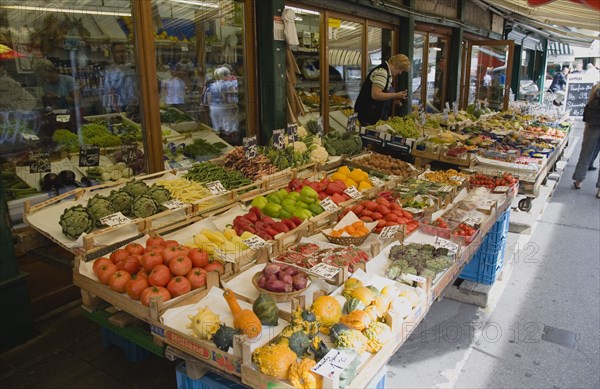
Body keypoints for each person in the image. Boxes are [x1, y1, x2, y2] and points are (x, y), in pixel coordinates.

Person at [354, 54, 410, 126]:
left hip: (371, 115)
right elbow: (376, 95)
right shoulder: (382, 72)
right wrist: (396, 95)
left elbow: (383, 93)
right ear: (397, 66)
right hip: (367, 115)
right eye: (401, 70)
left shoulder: (387, 73)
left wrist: (392, 98)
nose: (400, 73)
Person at [572, 82, 600, 198]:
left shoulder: (597, 86)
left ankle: (578, 180)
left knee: (586, 152)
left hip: (592, 123)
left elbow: (589, 102)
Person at [103, 42, 136, 113]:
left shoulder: (132, 69)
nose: (122, 54)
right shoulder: (110, 72)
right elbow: (110, 93)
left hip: (134, 106)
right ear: (113, 54)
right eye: (118, 52)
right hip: (119, 108)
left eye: (123, 51)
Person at [206, 66, 238, 136]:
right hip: (224, 107)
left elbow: (209, 98)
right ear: (225, 76)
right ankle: (228, 143)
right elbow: (230, 98)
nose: (230, 76)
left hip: (213, 108)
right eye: (229, 74)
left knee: (216, 128)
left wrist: (210, 106)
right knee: (227, 128)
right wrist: (234, 106)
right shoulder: (228, 84)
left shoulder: (211, 85)